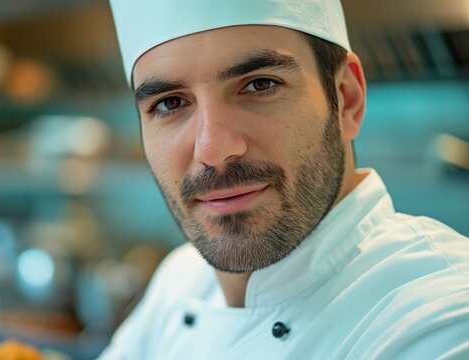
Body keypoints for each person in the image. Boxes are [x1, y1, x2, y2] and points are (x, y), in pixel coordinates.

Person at [98, 0, 469, 359]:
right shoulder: (181, 279)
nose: (212, 149)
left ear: (347, 99)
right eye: (169, 103)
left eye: (260, 84)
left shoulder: (443, 318)